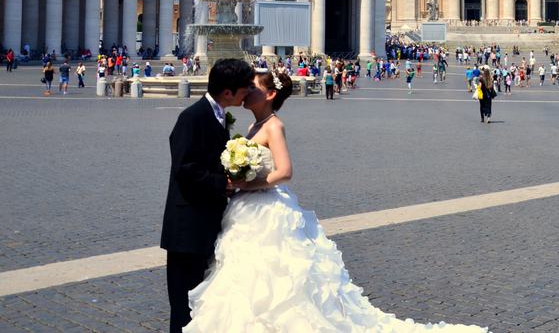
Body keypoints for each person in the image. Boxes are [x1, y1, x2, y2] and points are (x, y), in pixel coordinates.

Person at [185, 69, 486, 331]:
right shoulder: (254, 126)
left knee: (276, 276)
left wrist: (250, 185)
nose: (247, 92)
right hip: (247, 209)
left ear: (270, 94)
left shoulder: (274, 126)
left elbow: (286, 171)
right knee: (247, 275)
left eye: (253, 88)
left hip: (264, 208)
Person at [161, 58, 255, 333]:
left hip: (203, 223)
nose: (247, 92)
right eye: (244, 88)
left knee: (199, 302)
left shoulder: (217, 114)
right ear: (228, 92)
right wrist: (222, 183)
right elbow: (184, 168)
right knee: (183, 305)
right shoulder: (192, 117)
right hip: (187, 227)